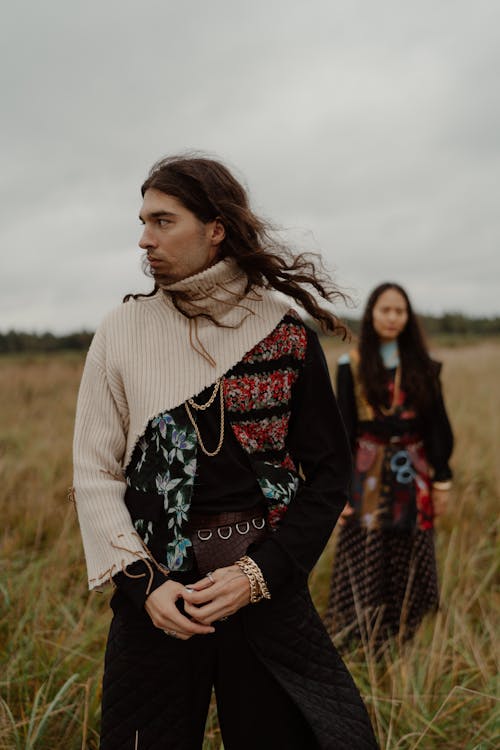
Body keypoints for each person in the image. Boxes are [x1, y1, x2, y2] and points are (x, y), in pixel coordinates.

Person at [72, 154, 378, 749]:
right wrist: (145, 585)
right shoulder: (120, 331)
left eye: (163, 221)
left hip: (263, 592)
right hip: (156, 603)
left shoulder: (282, 331)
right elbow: (93, 474)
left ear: (216, 228)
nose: (144, 239)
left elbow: (330, 473)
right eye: (142, 221)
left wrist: (259, 575)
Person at [324, 283, 454, 651]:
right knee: (366, 547)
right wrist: (339, 489)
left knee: (412, 546)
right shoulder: (352, 364)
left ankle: (407, 632)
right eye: (386, 310)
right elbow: (342, 429)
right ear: (372, 314)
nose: (393, 317)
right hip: (366, 472)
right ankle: (362, 634)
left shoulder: (424, 366)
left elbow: (436, 425)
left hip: (413, 471)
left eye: (400, 311)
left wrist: (442, 479)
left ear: (408, 317)